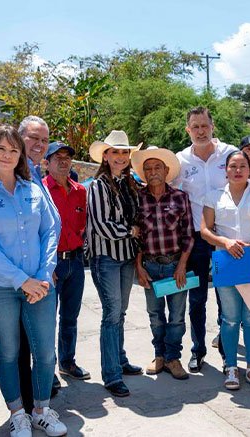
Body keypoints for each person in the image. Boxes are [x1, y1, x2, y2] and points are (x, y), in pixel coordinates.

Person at [0, 126, 65, 437]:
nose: (8, 155)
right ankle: (18, 414)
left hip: (41, 285)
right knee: (8, 351)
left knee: (45, 351)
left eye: (14, 150)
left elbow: (49, 232)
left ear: (20, 155)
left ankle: (41, 410)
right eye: (1, 149)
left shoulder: (33, 190)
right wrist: (22, 281)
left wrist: (44, 276)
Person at [201, 151, 250, 392]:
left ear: (249, 168)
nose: (237, 170)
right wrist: (225, 242)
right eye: (232, 166)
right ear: (225, 169)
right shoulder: (213, 196)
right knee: (230, 318)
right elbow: (205, 230)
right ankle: (232, 366)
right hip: (226, 261)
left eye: (242, 166)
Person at [175, 107, 238, 373]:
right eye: (195, 127)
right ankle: (198, 350)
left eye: (204, 126)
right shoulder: (180, 161)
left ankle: (228, 353)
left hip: (227, 239)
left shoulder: (230, 154)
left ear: (213, 126)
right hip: (196, 239)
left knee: (228, 300)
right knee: (197, 299)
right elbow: (173, 198)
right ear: (188, 130)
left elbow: (248, 181)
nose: (200, 131)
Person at [86, 130, 143, 397]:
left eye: (124, 152)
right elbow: (101, 225)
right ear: (105, 156)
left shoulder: (128, 184)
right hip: (106, 257)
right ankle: (111, 374)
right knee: (111, 314)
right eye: (115, 152)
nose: (120, 156)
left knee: (119, 313)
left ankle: (118, 360)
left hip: (126, 257)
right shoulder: (98, 186)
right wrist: (131, 231)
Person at [132, 146, 193, 381]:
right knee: (155, 315)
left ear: (166, 170)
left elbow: (188, 235)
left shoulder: (180, 197)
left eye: (157, 167)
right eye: (148, 168)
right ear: (143, 173)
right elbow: (136, 238)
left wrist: (182, 266)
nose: (153, 172)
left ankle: (173, 357)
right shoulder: (138, 198)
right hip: (150, 267)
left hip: (174, 265)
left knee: (177, 316)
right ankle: (159, 354)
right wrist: (139, 267)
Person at [17, 115, 61, 410]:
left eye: (44, 140)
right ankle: (25, 401)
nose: (39, 145)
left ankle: (38, 395)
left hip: (42, 272)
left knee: (40, 343)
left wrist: (47, 269)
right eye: (33, 138)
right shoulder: (13, 174)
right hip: (22, 276)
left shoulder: (34, 172)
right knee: (19, 346)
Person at [42, 142, 90, 381]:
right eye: (57, 157)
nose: (63, 161)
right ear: (46, 163)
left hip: (76, 262)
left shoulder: (81, 191)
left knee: (70, 317)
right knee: (47, 320)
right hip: (52, 265)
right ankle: (46, 371)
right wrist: (45, 265)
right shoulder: (39, 191)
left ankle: (67, 362)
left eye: (67, 157)